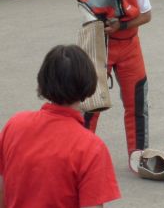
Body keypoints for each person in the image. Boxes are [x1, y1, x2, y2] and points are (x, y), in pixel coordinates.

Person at [0, 45, 121, 208]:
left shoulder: (14, 125)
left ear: (43, 80)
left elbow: (2, 189)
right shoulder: (91, 148)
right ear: (88, 84)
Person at [78, 0, 151, 159]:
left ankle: (139, 154)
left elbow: (146, 16)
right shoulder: (88, 0)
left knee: (137, 101)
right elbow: (91, 33)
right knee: (91, 102)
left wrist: (122, 26)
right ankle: (79, 152)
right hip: (102, 46)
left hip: (130, 46)